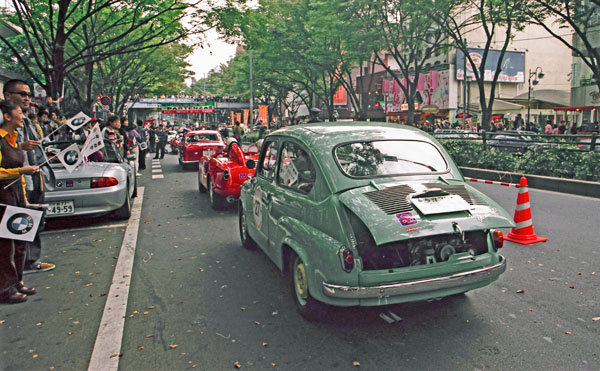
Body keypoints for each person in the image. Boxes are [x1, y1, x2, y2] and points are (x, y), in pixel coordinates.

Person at [3, 79, 55, 274]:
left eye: (28, 94)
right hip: (15, 180)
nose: (27, 98)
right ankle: (16, 271)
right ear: (8, 95)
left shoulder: (24, 120)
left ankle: (29, 261)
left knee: (32, 220)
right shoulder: (5, 121)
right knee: (17, 224)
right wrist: (19, 148)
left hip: (33, 176)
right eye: (22, 94)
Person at [0, 100, 39, 303]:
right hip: (3, 197)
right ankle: (5, 288)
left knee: (21, 240)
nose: (23, 116)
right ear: (7, 116)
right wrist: (20, 171)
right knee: (5, 246)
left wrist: (24, 197)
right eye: (19, 113)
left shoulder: (14, 139)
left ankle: (17, 282)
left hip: (17, 195)